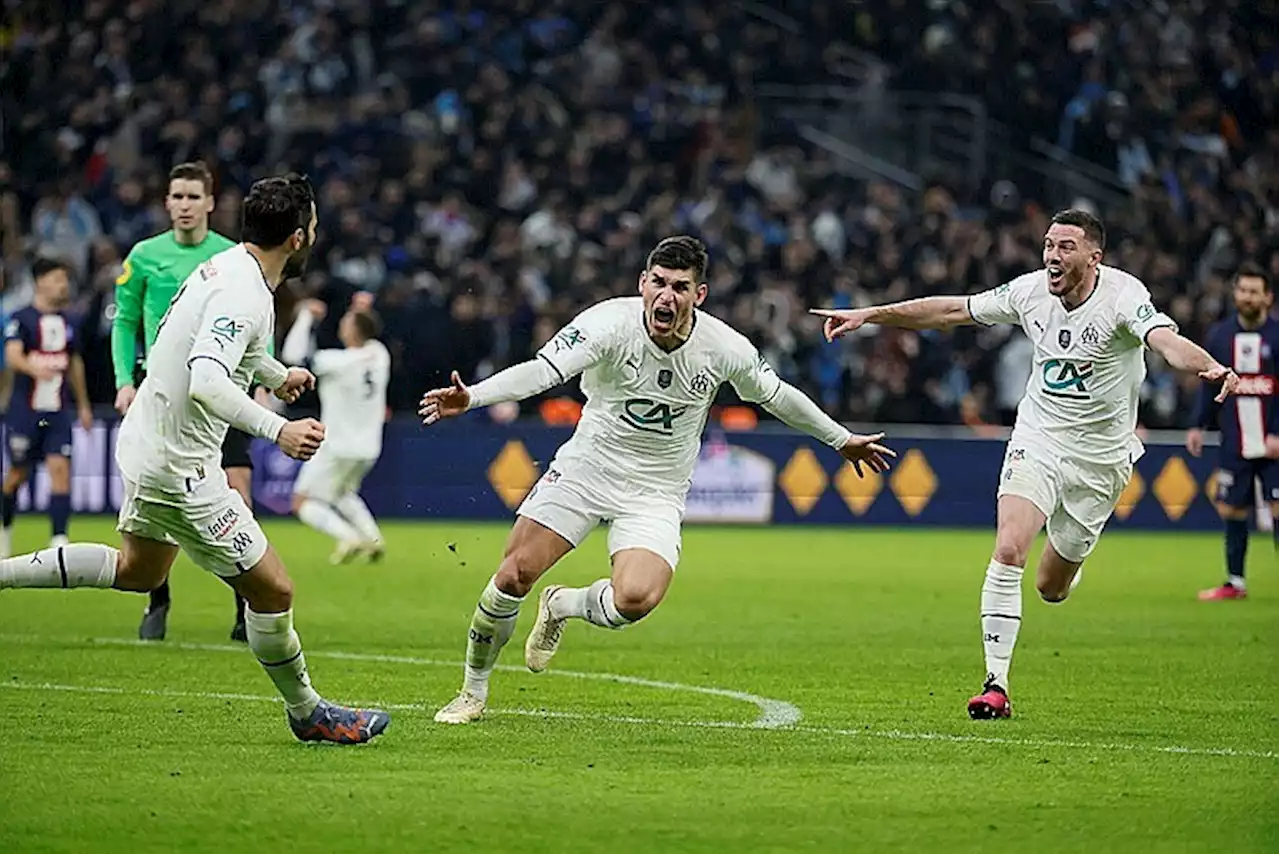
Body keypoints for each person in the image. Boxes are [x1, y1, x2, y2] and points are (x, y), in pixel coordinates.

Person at [420, 235, 895, 724]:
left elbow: (777, 396)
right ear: (643, 283)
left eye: (680, 287)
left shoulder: (723, 347)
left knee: (635, 600)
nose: (667, 296)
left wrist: (840, 439)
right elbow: (543, 372)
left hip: (655, 492)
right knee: (513, 574)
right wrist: (473, 397)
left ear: (699, 295)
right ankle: (472, 693)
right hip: (587, 469)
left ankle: (563, 604)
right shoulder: (607, 323)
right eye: (660, 283)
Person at [0, 174, 390, 744]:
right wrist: (277, 430)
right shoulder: (244, 291)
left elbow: (209, 348)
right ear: (299, 238)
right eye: (313, 225)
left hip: (148, 443)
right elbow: (207, 378)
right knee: (275, 590)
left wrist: (276, 375)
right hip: (181, 464)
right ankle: (310, 713)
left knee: (140, 572)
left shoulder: (228, 268)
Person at [812, 209, 1240, 720]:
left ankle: (1065, 570)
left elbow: (1165, 343)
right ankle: (996, 684)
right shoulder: (1030, 291)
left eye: (1065, 247)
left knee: (1050, 587)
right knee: (1009, 547)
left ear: (1093, 257)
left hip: (1101, 459)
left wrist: (1207, 366)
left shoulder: (1125, 296)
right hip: (1038, 438)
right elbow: (953, 310)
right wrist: (870, 314)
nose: (1052, 257)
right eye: (1048, 245)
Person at [112, 161, 254, 642]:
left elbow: (254, 321)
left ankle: (245, 610)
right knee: (159, 501)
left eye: (194, 197)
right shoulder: (145, 256)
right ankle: (159, 601)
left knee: (238, 494)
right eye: (178, 197)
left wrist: (264, 376)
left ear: (211, 203)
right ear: (167, 202)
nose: (185, 206)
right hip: (164, 394)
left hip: (223, 389)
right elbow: (124, 322)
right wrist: (123, 380)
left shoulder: (232, 257)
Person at [1186, 264, 1280, 601]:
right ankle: (1235, 583)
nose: (1248, 297)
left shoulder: (1278, 335)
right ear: (1235, 294)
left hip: (1274, 444)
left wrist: (1278, 433)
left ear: (1267, 296)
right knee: (1233, 510)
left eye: (1255, 291)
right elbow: (1207, 385)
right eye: (1243, 291)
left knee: (1278, 508)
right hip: (1235, 440)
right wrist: (1198, 424)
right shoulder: (1220, 337)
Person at [280, 297, 390, 563]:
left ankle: (348, 537)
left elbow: (292, 357)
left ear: (353, 330)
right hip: (369, 447)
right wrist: (361, 310)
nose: (341, 325)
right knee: (343, 493)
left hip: (337, 445)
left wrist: (306, 318)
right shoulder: (380, 354)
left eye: (345, 321)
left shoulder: (338, 362)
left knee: (301, 502)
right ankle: (373, 540)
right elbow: (369, 330)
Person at [1, 258, 94, 557]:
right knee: (17, 475)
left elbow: (75, 362)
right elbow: (13, 355)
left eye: (65, 280)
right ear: (40, 281)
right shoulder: (21, 318)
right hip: (25, 412)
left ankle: (59, 541)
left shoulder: (70, 321)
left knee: (60, 469)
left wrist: (83, 405)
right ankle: (4, 529)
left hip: (58, 412)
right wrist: (33, 368)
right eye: (57, 279)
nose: (63, 285)